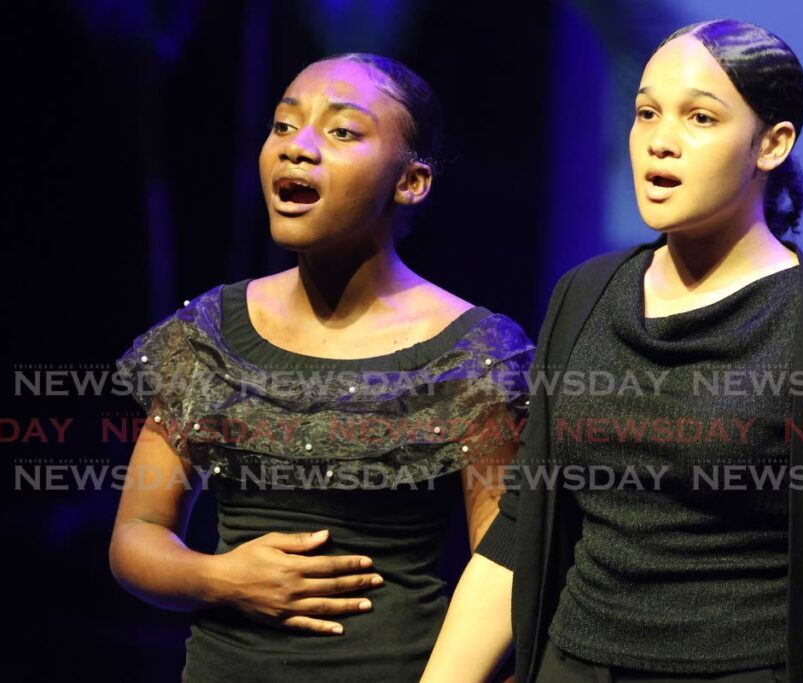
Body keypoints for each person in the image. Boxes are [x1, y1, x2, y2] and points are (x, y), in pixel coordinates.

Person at [422, 20, 803, 683]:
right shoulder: (586, 294)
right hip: (576, 663)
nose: (660, 142)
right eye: (646, 112)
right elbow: (521, 525)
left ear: (772, 142)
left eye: (699, 116)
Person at [108, 53, 534, 682]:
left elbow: (502, 568)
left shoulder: (473, 354)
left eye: (341, 132)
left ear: (411, 181)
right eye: (283, 125)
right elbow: (136, 535)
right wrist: (222, 578)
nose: (297, 148)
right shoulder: (210, 334)